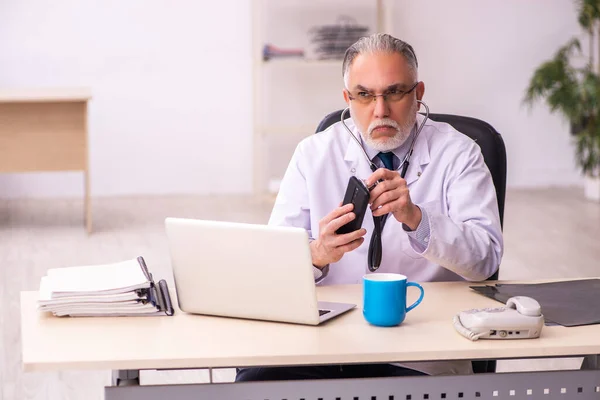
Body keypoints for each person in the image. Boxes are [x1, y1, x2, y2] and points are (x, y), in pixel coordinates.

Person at [236, 33, 503, 381]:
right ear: (348, 98)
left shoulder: (459, 153)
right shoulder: (312, 154)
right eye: (364, 95)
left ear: (418, 93)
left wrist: (416, 218)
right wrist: (316, 253)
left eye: (394, 92)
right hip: (324, 343)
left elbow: (485, 261)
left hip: (420, 348)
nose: (380, 110)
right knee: (253, 385)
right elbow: (272, 264)